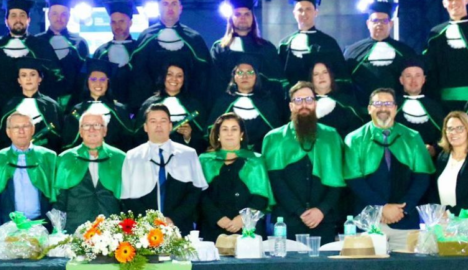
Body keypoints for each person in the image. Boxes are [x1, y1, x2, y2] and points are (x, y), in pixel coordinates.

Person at [343, 88, 434, 251]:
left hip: (406, 221)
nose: (383, 108)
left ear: (395, 108)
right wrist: (382, 208)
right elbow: (354, 181)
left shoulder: (412, 137)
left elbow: (422, 177)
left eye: (388, 103)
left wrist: (404, 209)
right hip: (367, 223)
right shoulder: (354, 139)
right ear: (369, 108)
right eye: (377, 103)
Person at [263, 82, 345, 244]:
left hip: (324, 219)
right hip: (286, 220)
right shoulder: (274, 138)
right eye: (298, 101)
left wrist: (322, 210)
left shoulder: (331, 136)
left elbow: (339, 179)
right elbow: (275, 181)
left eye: (308, 100)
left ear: (315, 103)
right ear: (291, 106)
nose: (304, 105)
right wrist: (300, 211)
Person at [121, 104, 207, 234]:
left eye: (163, 121)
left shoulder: (188, 154)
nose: (158, 125)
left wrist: (172, 219)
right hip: (145, 231)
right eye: (153, 121)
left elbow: (194, 193)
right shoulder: (133, 156)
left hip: (180, 228)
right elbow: (127, 197)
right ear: (145, 127)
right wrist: (151, 221)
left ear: (171, 125)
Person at [129, 0, 213, 110]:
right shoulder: (146, 37)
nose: (170, 8)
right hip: (152, 107)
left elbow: (203, 77)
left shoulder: (194, 39)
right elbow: (137, 76)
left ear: (180, 8)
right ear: (158, 7)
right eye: (165, 4)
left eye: (174, 4)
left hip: (187, 106)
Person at [199, 113, 272, 242]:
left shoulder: (255, 160)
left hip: (248, 228)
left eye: (234, 129)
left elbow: (261, 197)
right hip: (212, 227)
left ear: (241, 135)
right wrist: (218, 218)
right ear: (218, 135)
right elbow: (200, 196)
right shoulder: (205, 161)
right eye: (225, 129)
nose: (229, 133)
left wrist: (243, 218)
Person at [0, 113, 57, 232]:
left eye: (25, 126)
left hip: (42, 226)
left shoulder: (48, 157)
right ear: (8, 132)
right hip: (9, 230)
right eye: (16, 127)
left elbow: (56, 199)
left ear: (33, 129)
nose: (21, 131)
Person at [54, 113, 126, 233]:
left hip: (112, 232)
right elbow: (59, 200)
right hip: (75, 231)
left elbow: (127, 201)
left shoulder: (121, 158)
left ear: (105, 131)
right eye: (86, 125)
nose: (92, 129)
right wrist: (58, 231)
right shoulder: (65, 158)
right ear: (80, 131)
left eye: (97, 125)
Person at [0, 0, 61, 106]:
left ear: (29, 20)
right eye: (13, 15)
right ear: (6, 21)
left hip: (36, 106)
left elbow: (54, 77)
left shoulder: (42, 46)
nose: (18, 19)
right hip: (1, 108)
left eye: (22, 15)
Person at [210, 0, 285, 105]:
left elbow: (276, 80)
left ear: (253, 18)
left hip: (262, 104)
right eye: (238, 14)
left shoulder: (266, 48)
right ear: (231, 19)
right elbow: (215, 82)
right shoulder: (220, 48)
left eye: (247, 14)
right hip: (228, 104)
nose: (243, 17)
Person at [345, 1, 417, 105]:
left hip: (396, 111)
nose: (379, 24)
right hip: (363, 114)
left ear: (391, 23)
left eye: (384, 21)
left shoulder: (405, 52)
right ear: (368, 23)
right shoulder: (352, 51)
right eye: (375, 20)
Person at [278, 0, 349, 94]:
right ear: (294, 13)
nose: (304, 13)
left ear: (316, 12)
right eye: (300, 10)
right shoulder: (284, 44)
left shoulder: (328, 43)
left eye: (308, 9)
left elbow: (340, 75)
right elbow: (280, 75)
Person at [207, 53, 282, 151]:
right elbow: (212, 131)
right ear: (234, 77)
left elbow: (276, 133)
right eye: (240, 72)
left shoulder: (267, 102)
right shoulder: (223, 101)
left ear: (256, 76)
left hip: (262, 156)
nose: (245, 77)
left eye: (250, 72)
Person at [135, 53, 207, 153]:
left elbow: (204, 140)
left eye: (179, 76)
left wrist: (189, 136)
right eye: (169, 74)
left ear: (184, 79)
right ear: (163, 76)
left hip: (183, 159)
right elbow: (138, 137)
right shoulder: (149, 104)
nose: (174, 79)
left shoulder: (194, 105)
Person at [426, 111, 468, 216]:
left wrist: (451, 212)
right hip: (445, 220)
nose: (454, 133)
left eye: (459, 128)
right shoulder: (442, 156)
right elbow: (433, 189)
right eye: (450, 129)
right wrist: (439, 211)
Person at [62, 59, 133, 150]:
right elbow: (69, 142)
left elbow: (128, 141)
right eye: (93, 79)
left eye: (103, 79)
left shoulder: (119, 110)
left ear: (108, 82)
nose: (98, 84)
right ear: (87, 82)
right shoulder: (77, 110)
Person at [35, 0, 89, 109]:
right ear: (48, 15)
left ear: (69, 16)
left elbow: (84, 78)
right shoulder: (36, 42)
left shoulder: (80, 43)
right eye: (54, 13)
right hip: (43, 105)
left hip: (75, 105)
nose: (59, 18)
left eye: (63, 14)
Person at [0, 57, 62, 151]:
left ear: (40, 78)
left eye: (32, 75)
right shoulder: (10, 105)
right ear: (19, 80)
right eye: (23, 75)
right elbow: (3, 136)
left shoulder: (51, 105)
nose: (28, 79)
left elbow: (57, 136)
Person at [396, 58, 445, 157]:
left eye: (418, 76)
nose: (413, 80)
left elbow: (444, 134)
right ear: (401, 80)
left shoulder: (435, 106)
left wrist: (434, 149)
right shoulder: (392, 106)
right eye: (408, 76)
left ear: (424, 79)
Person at [91, 1, 137, 105]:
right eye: (114, 22)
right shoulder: (101, 52)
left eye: (121, 21)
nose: (117, 26)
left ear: (130, 23)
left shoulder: (140, 50)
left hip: (136, 107)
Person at [311, 60, 363, 137]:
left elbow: (357, 130)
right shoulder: (306, 103)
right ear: (311, 79)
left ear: (331, 76)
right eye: (316, 74)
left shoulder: (346, 102)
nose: (321, 77)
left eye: (325, 72)